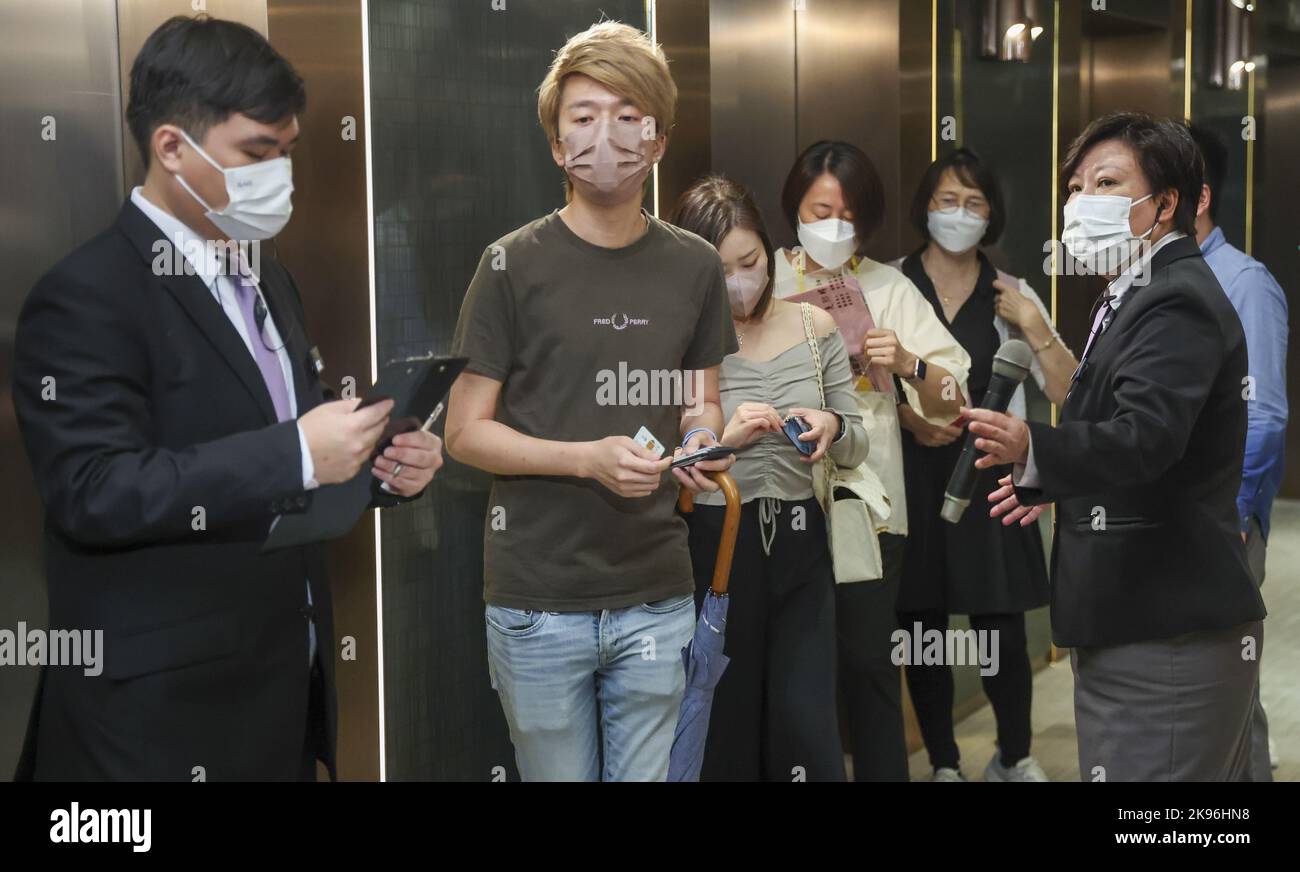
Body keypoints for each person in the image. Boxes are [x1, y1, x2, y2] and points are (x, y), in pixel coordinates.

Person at [11, 15, 442, 781]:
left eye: (287, 152)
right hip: (156, 721)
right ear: (171, 146)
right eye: (256, 153)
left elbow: (285, 462)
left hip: (278, 689)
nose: (278, 176)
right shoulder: (86, 296)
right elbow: (93, 490)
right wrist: (299, 452)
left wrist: (380, 468)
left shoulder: (267, 278)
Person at [445, 21, 735, 782]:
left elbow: (700, 400)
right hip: (539, 599)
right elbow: (464, 432)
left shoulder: (696, 266)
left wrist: (702, 444)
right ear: (554, 144)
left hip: (656, 594)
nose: (605, 133)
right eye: (583, 117)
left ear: (659, 138)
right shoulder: (509, 264)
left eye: (627, 114)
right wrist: (585, 461)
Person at [969, 112, 1267, 782]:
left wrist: (1032, 446)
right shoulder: (1132, 294)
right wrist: (1049, 480)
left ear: (1165, 204)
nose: (1080, 204)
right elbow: (1125, 433)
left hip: (1163, 626)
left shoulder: (1175, 299)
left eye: (1105, 184)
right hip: (1139, 619)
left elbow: (1146, 438)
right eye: (1074, 188)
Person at [772, 140, 971, 781]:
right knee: (789, 670)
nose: (834, 227)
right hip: (776, 502)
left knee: (870, 667)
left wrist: (910, 365)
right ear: (794, 208)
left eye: (850, 216)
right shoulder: (765, 277)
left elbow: (954, 397)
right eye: (820, 209)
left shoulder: (890, 287)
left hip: (867, 510)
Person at [670, 175, 869, 781]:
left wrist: (832, 424)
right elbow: (661, 466)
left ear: (769, 252)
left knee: (805, 719)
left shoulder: (816, 330)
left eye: (749, 261)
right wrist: (719, 445)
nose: (740, 280)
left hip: (801, 539)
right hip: (715, 544)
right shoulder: (678, 339)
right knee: (724, 718)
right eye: (720, 269)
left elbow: (859, 442)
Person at [893, 148, 1077, 782]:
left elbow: (1067, 393)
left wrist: (1034, 324)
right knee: (922, 619)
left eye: (974, 203)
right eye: (948, 200)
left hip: (993, 475)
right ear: (925, 206)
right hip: (913, 475)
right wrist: (909, 420)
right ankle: (944, 761)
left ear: (991, 214)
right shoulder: (892, 284)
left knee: (998, 623)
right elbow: (859, 385)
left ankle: (1015, 755)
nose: (960, 214)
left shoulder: (1013, 295)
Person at [1190, 124, 1288, 781]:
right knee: (1200, 691)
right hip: (1166, 519)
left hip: (1218, 522)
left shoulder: (1243, 282)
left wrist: (1231, 515)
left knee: (1225, 681)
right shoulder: (1144, 279)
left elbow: (1264, 415)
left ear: (1190, 196)